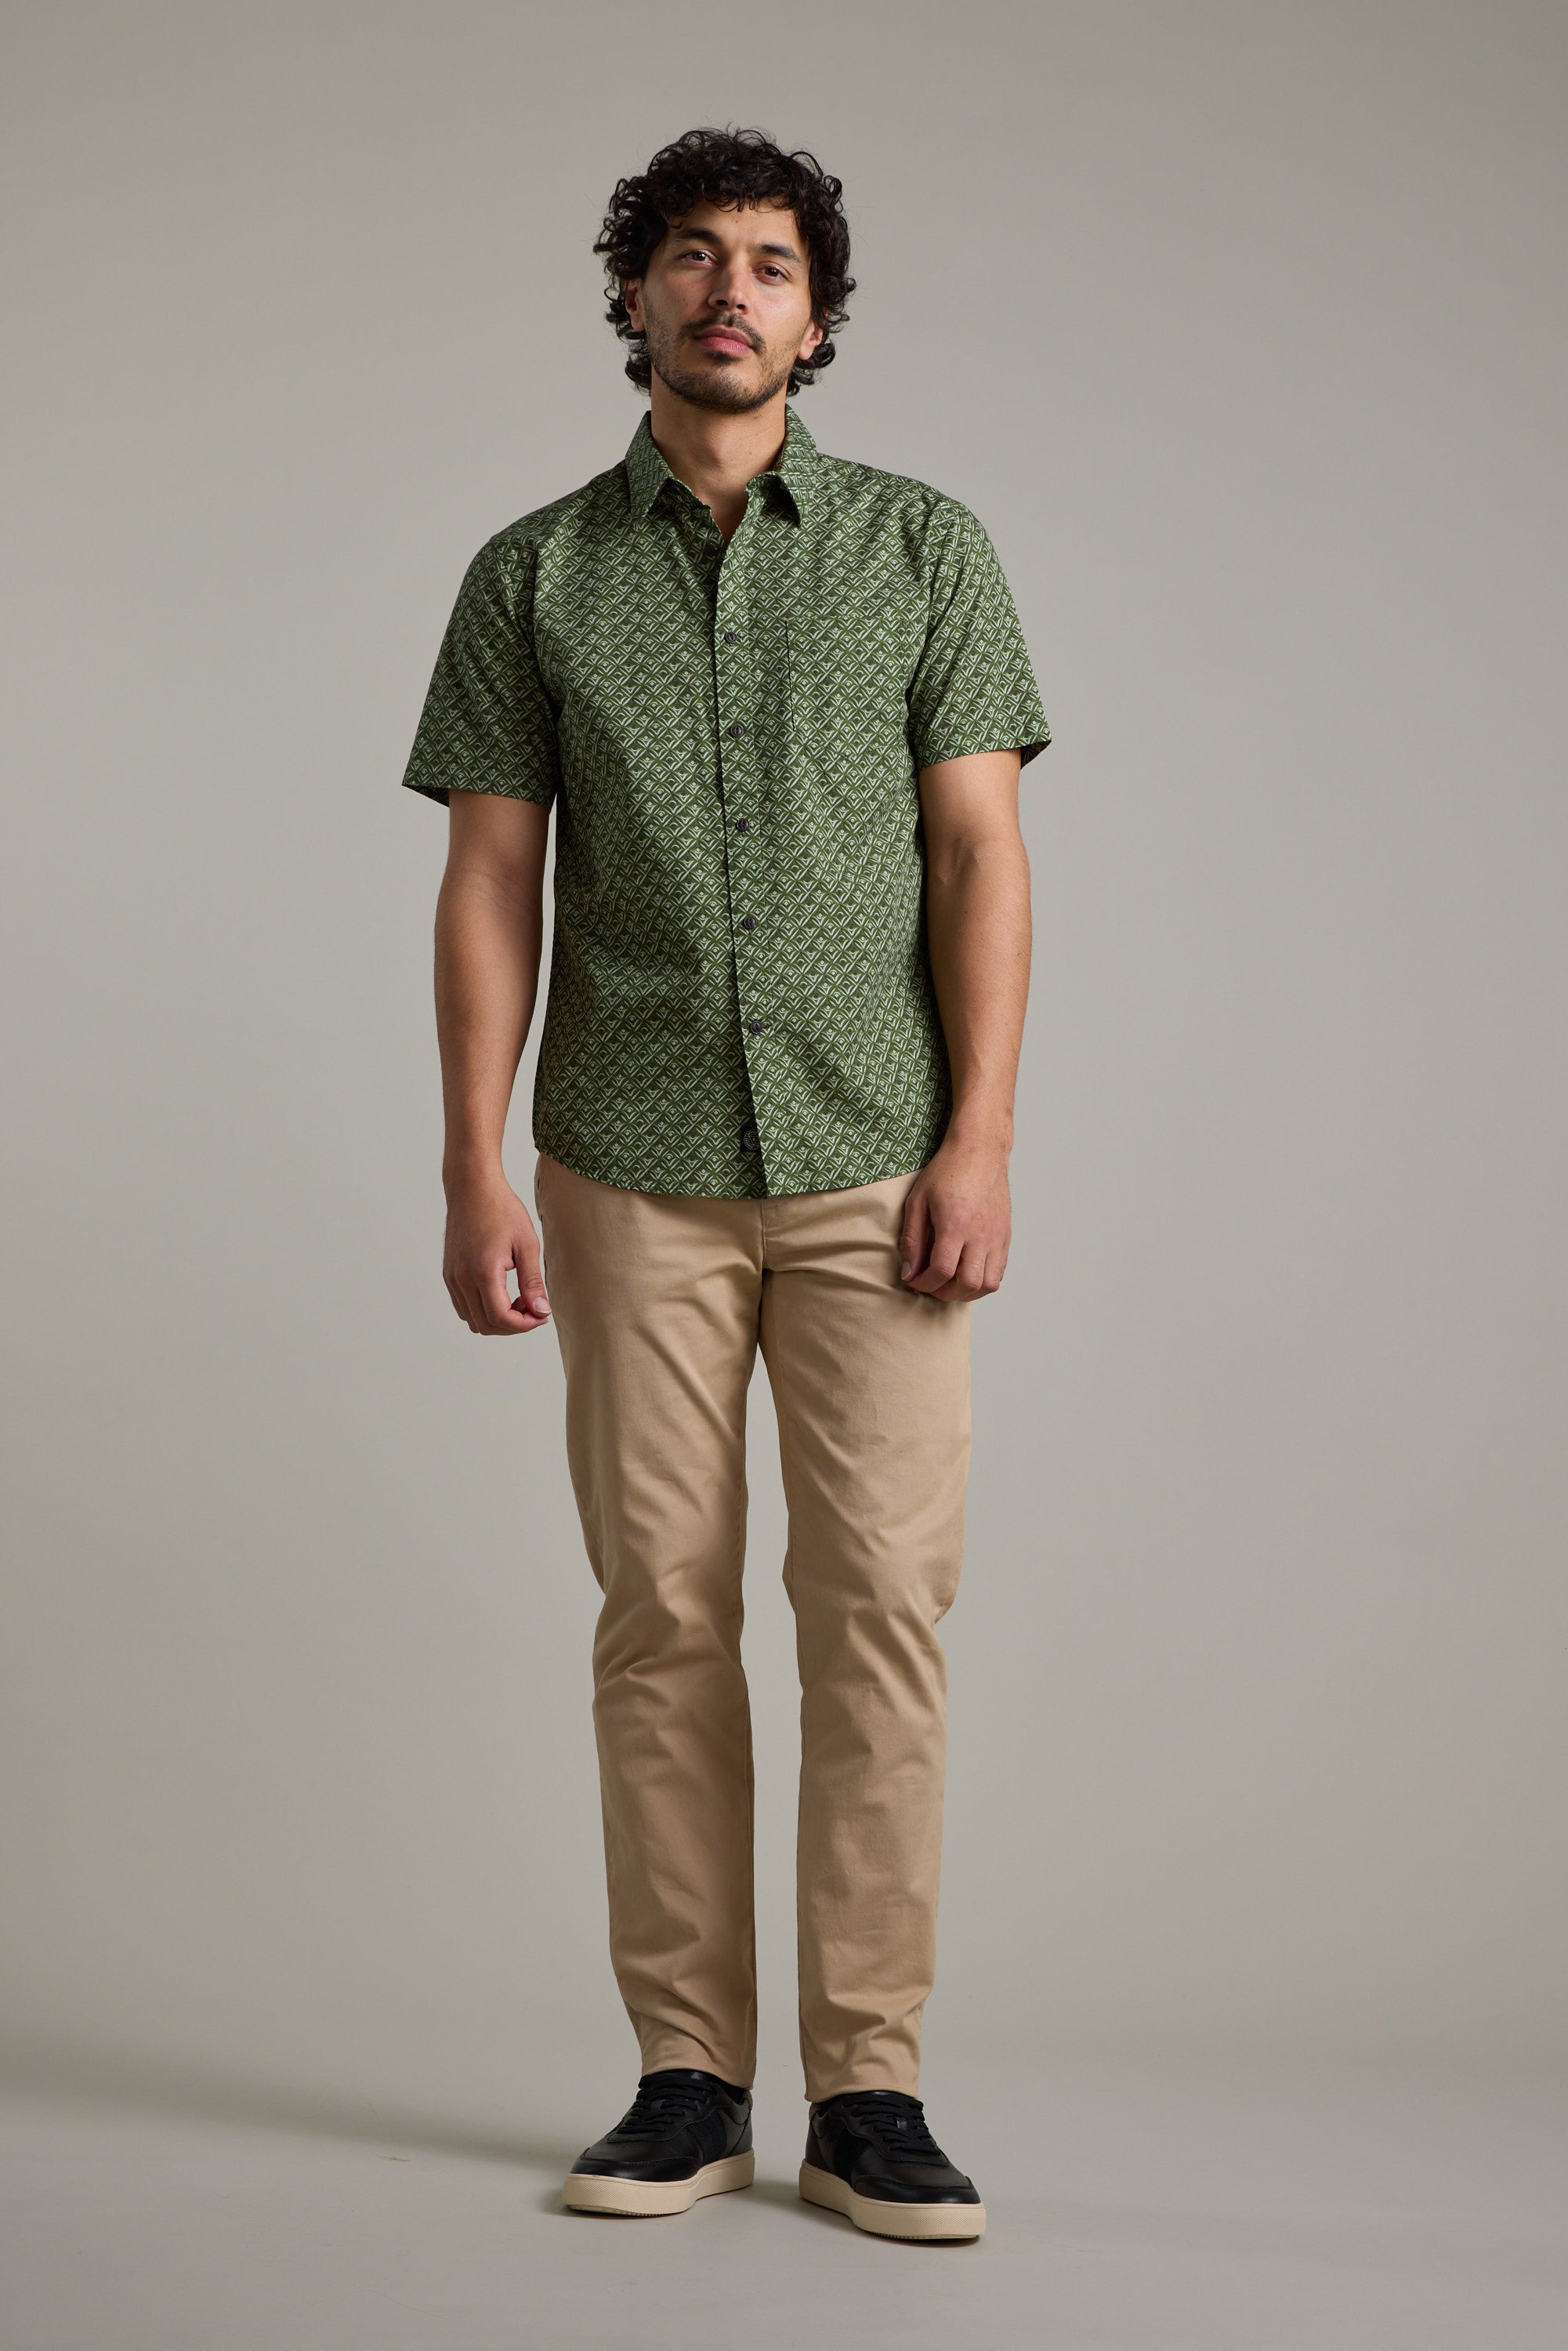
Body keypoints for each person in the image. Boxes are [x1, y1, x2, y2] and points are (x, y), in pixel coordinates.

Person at [400, 124, 1050, 2244]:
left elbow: (977, 853)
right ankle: (686, 2078)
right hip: (628, 1163)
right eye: (690, 259)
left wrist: (979, 1136)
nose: (728, 294)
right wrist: (470, 1166)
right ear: (633, 302)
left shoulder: (923, 550)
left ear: (817, 316)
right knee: (658, 1616)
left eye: (769, 264)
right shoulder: (530, 577)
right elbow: (491, 881)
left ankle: (870, 2091)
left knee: (878, 1616)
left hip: (878, 1158)